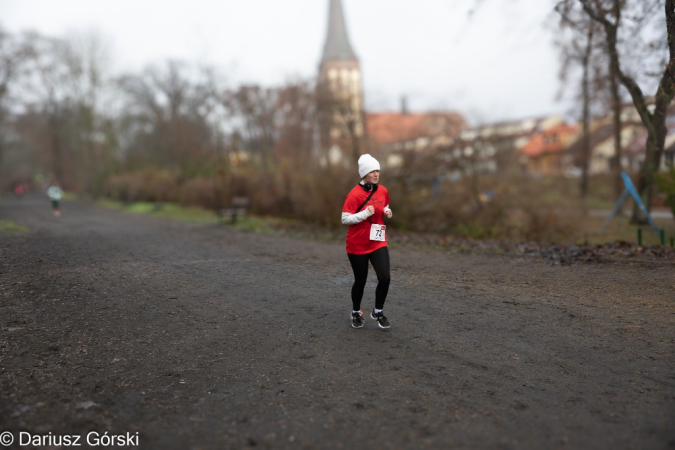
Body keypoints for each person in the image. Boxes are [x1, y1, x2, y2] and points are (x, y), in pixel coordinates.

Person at [341, 154, 393, 329]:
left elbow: (384, 204)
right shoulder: (354, 194)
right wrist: (364, 214)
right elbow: (345, 219)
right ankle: (356, 312)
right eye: (372, 171)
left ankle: (378, 311)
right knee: (360, 281)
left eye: (378, 170)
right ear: (364, 174)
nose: (376, 174)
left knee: (385, 278)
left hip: (377, 240)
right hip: (357, 244)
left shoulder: (383, 190)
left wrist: (387, 211)